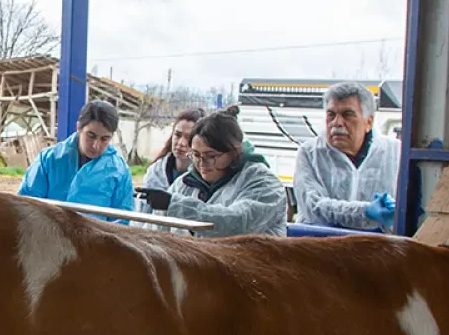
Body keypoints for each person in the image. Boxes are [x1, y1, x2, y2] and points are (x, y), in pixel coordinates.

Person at [135, 106, 287, 237]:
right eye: (195, 155)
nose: (202, 163)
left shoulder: (264, 185)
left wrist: (174, 205)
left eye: (211, 156)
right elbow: (155, 231)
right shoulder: (184, 184)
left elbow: (236, 223)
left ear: (234, 152)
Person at [293, 81, 401, 231]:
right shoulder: (310, 153)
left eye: (347, 114)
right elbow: (313, 207)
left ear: (368, 122)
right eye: (331, 115)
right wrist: (366, 212)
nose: (337, 123)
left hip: (376, 249)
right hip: (321, 245)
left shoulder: (395, 153)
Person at [18, 100, 135, 214]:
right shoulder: (49, 160)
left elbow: (121, 219)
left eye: (105, 139)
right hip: (49, 231)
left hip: (96, 233)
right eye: (91, 136)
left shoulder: (119, 171)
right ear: (79, 127)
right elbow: (27, 204)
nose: (96, 145)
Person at [137, 107, 205, 212]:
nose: (181, 143)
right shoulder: (155, 172)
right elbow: (142, 214)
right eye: (177, 135)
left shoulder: (204, 177)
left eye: (188, 138)